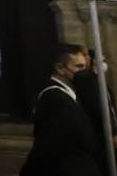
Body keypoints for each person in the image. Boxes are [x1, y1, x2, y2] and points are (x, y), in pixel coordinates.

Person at [20, 43, 100, 176]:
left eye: (85, 67)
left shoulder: (69, 95)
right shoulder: (56, 98)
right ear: (60, 68)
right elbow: (51, 145)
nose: (83, 72)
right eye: (79, 67)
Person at [73, 49, 117, 176]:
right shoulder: (86, 80)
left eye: (104, 60)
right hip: (99, 134)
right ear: (91, 60)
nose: (103, 63)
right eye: (100, 60)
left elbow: (111, 109)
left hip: (109, 132)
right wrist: (110, 132)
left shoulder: (102, 83)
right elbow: (96, 108)